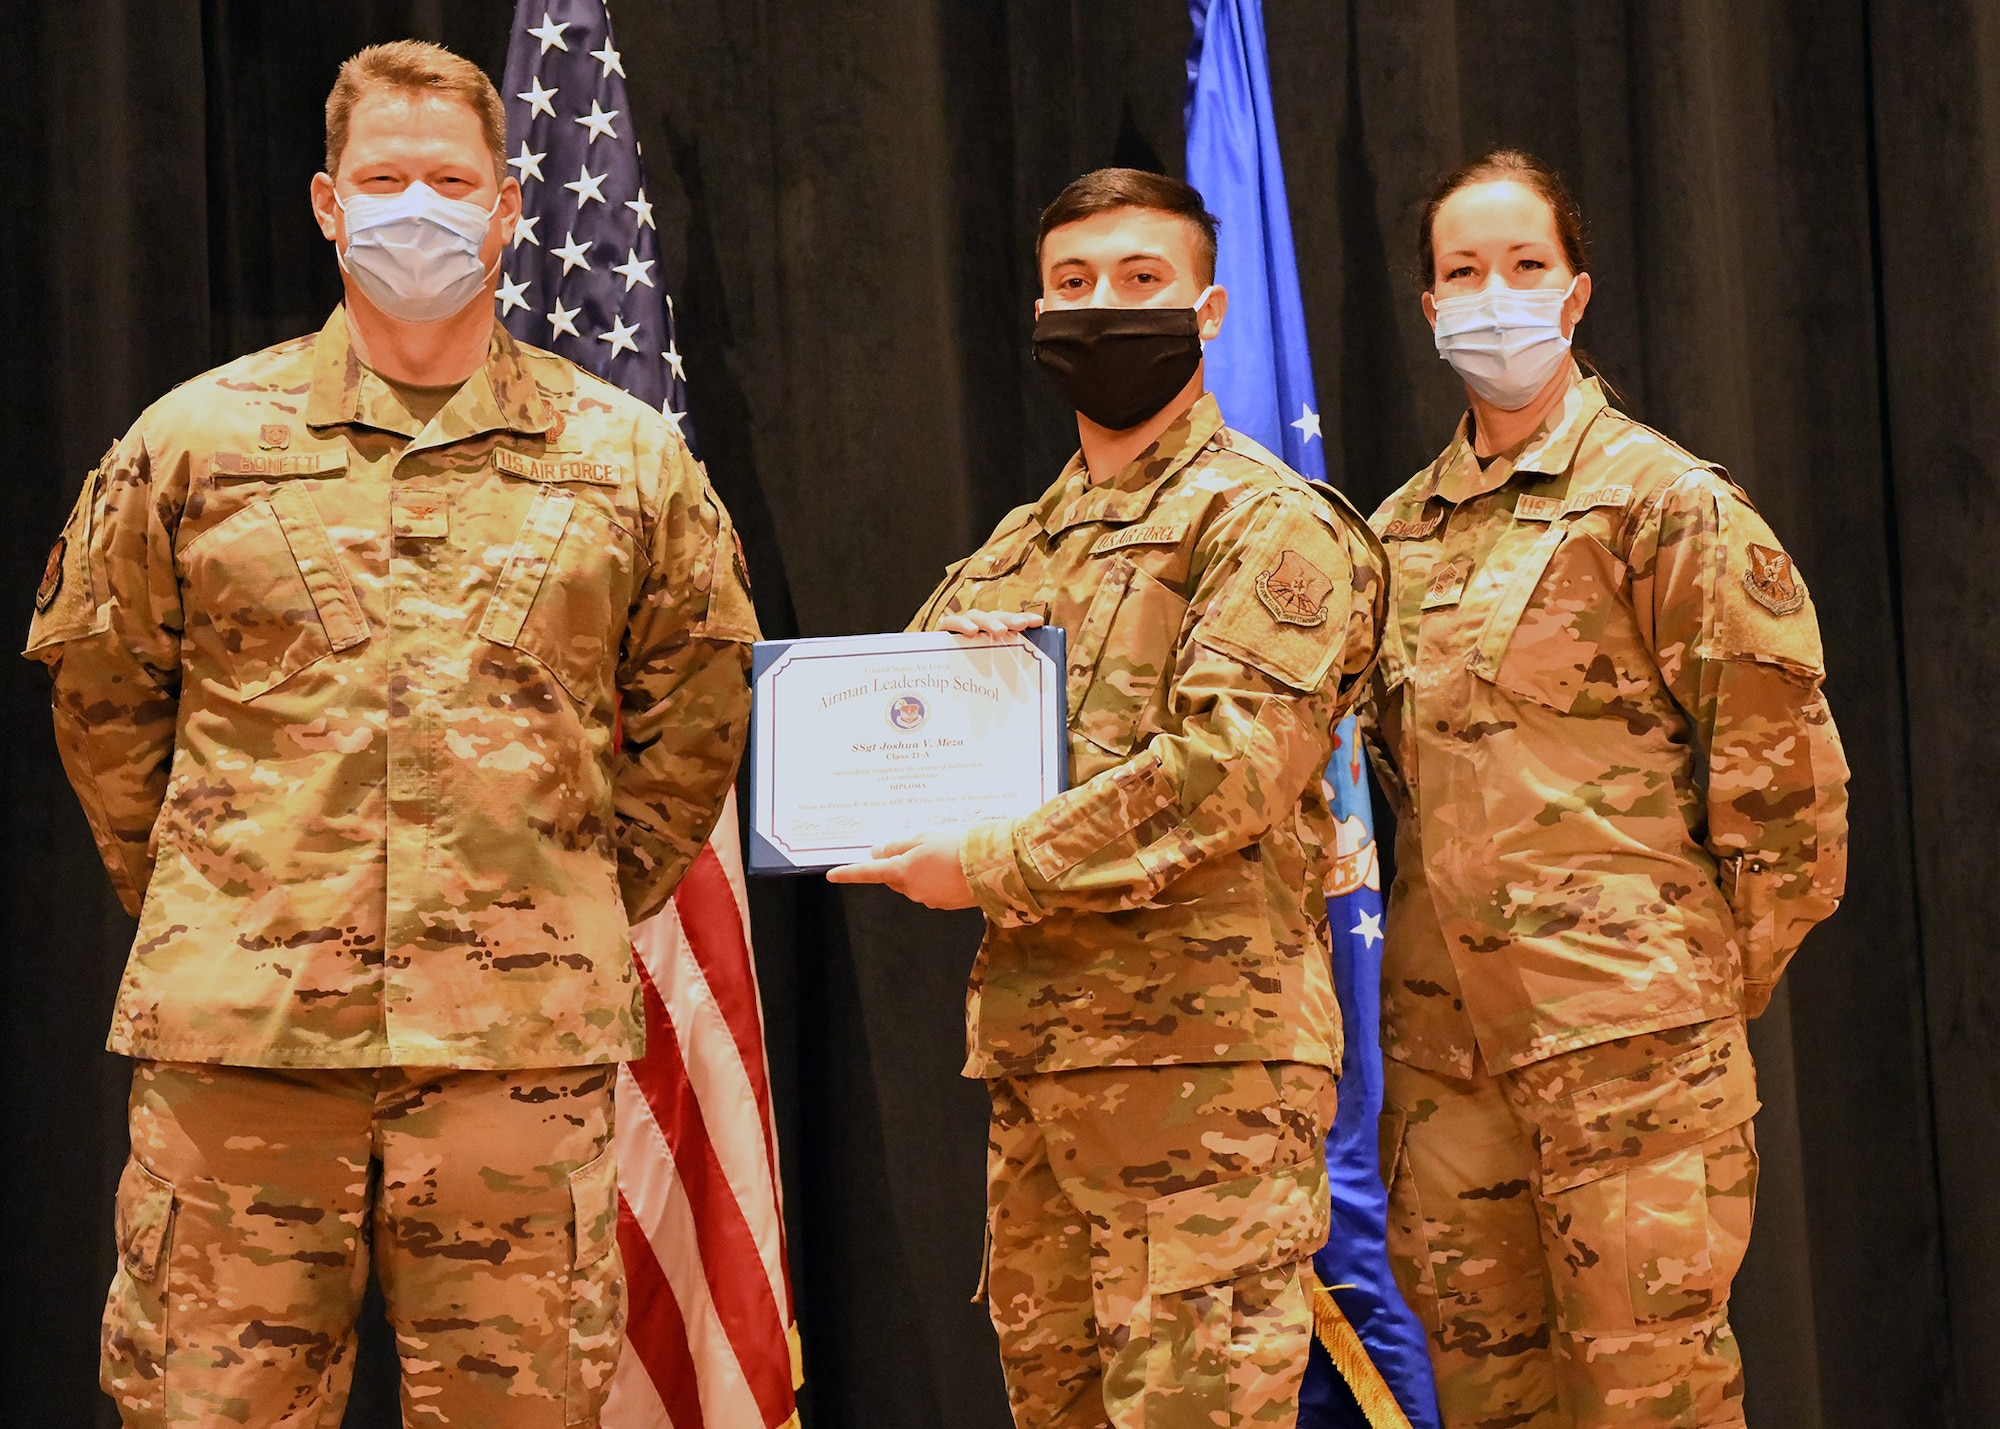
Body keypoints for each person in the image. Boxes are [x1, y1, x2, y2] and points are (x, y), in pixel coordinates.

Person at [25, 41, 758, 1428]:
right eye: (383, 178)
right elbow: (105, 699)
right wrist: (221, 903)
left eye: (448, 180)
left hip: (515, 1064)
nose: (414, 206)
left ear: (508, 207)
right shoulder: (193, 444)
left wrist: (563, 903)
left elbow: (696, 713)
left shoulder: (625, 459)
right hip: (244, 1058)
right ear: (324, 201)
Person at [829, 168, 1386, 1428]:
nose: (1102, 309)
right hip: (1043, 1061)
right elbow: (885, 724)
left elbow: (1229, 770)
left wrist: (994, 863)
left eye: (1140, 282)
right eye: (1072, 285)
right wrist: (958, 656)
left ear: (1208, 308)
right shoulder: (1023, 542)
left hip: (1204, 1074)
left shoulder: (1267, 525)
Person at [1362, 148, 1849, 1428]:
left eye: (1522, 265)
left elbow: (1785, 787)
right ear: (1426, 308)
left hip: (1628, 1059)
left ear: (1573, 294)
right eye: (1460, 271)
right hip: (1447, 1061)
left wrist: (1676, 994)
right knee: (1484, 1394)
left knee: (1650, 1398)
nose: (1492, 294)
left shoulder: (1663, 502)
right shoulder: (1391, 535)